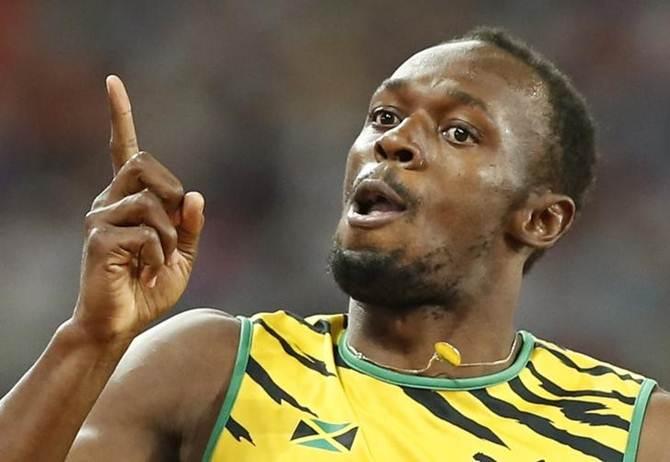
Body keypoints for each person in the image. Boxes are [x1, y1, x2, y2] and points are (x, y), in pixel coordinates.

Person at [1, 27, 668, 461]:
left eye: (460, 132)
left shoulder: (634, 432)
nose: (393, 140)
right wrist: (90, 338)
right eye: (384, 115)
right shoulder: (211, 368)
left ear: (541, 219)